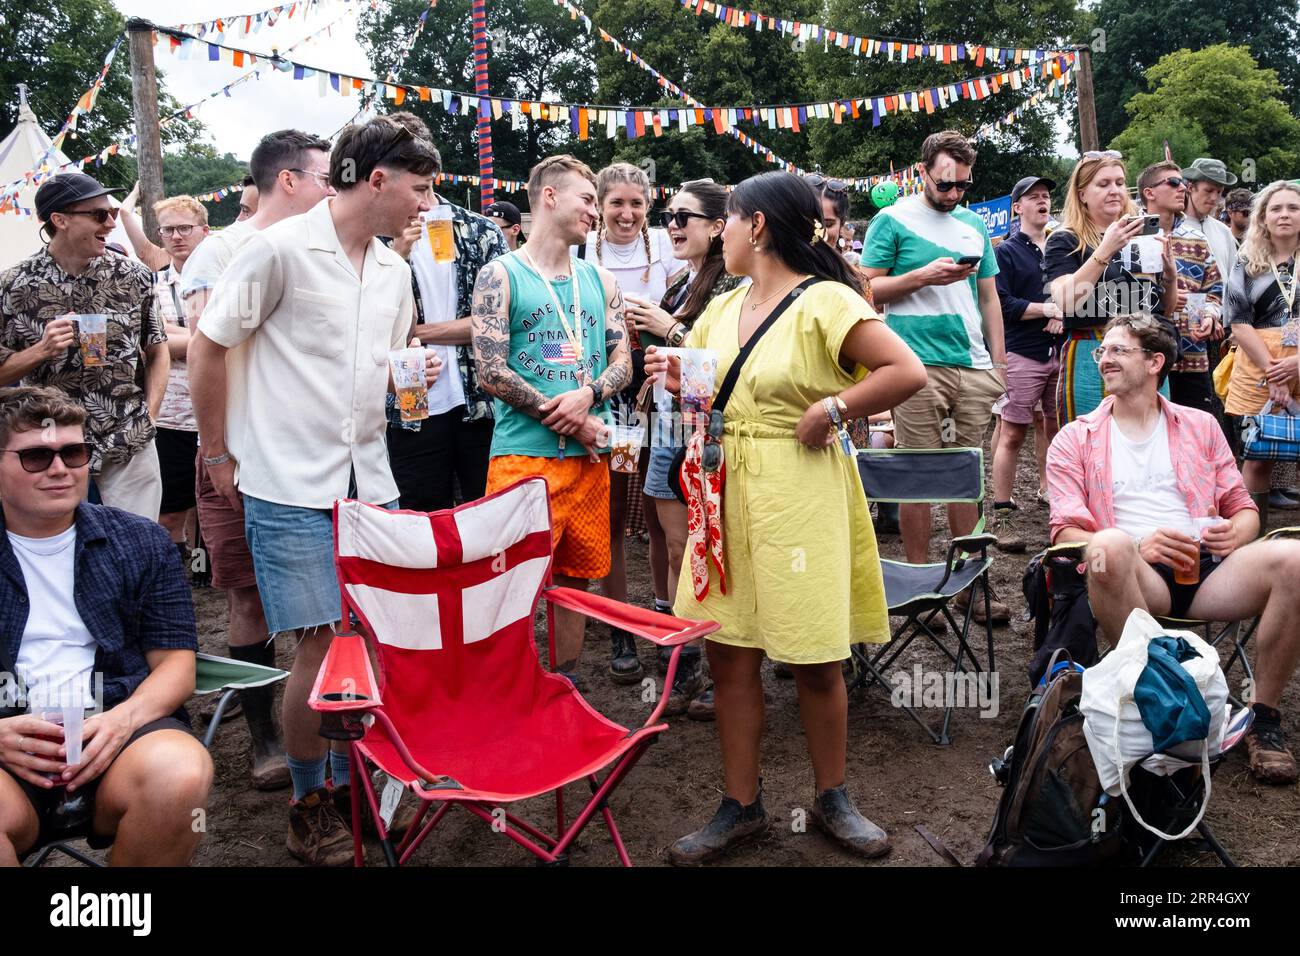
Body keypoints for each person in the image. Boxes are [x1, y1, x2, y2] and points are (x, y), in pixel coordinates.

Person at [645, 171, 926, 864]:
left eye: (729, 220)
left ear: (758, 226)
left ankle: (833, 797)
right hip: (725, 490)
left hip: (800, 491)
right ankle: (741, 806)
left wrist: (832, 410)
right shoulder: (722, 304)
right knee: (729, 651)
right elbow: (715, 390)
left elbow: (906, 370)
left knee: (815, 657)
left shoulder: (827, 301)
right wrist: (684, 382)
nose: (720, 232)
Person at [188, 116, 442, 866]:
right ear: (377, 180)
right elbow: (207, 348)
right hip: (289, 481)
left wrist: (410, 374)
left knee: (369, 643)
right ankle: (307, 803)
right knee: (322, 646)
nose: (425, 206)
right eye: (420, 189)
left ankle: (349, 780)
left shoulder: (396, 272)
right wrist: (215, 452)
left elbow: (388, 363)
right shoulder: (278, 250)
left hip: (373, 481)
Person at [1048, 314, 1299, 784]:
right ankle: (1158, 706)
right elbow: (1066, 533)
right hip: (1132, 575)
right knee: (1107, 545)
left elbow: (1242, 505)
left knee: (1294, 557)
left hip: (1206, 569)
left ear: (1155, 362)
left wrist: (1241, 531)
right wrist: (1139, 544)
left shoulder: (1200, 425)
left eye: (1120, 350)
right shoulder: (1075, 437)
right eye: (1104, 351)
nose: (1105, 359)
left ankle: (1262, 720)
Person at [0, 386, 213, 865]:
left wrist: (124, 720)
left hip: (116, 724)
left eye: (73, 453)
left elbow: (177, 665)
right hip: (7, 741)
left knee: (180, 774)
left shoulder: (140, 541)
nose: (59, 469)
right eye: (36, 456)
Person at [180, 129, 333, 794]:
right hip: (237, 457)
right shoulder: (223, 249)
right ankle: (265, 736)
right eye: (327, 176)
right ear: (290, 180)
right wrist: (218, 453)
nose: (338, 188)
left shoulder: (325, 251)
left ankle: (320, 742)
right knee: (247, 600)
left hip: (307, 461)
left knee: (322, 614)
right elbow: (202, 349)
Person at [471, 154, 633, 687]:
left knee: (575, 582)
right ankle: (507, 691)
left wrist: (588, 396)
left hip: (589, 462)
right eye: (587, 199)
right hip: (523, 460)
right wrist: (568, 419)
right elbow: (490, 372)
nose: (595, 210)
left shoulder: (600, 280)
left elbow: (623, 361)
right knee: (509, 586)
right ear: (549, 197)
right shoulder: (500, 275)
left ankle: (563, 684)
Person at [859, 131, 1009, 620]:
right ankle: (923, 584)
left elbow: (989, 298)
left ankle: (970, 581)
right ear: (921, 171)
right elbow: (866, 291)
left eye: (962, 186)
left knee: (967, 476)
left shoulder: (973, 225)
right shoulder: (892, 219)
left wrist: (1000, 365)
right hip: (915, 365)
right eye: (945, 184)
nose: (953, 195)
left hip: (972, 365)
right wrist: (922, 276)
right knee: (919, 476)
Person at [624, 178, 742, 718]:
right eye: (668, 215)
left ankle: (722, 664)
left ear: (718, 227)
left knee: (710, 548)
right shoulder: (677, 284)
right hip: (666, 430)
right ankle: (684, 661)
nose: (671, 225)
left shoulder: (731, 287)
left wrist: (669, 330)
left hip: (707, 435)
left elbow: (722, 364)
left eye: (684, 217)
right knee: (675, 550)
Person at [0, 172, 169, 520]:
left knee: (137, 543)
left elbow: (157, 350)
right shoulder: (15, 285)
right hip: (49, 442)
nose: (110, 223)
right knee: (60, 545)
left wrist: (150, 414)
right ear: (60, 220)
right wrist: (41, 350)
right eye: (98, 215)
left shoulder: (133, 277)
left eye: (110, 213)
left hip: (128, 434)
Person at [579, 163, 682, 685]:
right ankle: (620, 624)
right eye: (616, 203)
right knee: (617, 506)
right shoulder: (582, 253)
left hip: (662, 399)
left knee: (666, 506)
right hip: (615, 404)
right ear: (598, 205)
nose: (627, 213)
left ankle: (666, 615)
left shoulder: (664, 248)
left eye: (636, 204)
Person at [382, 112, 508, 513]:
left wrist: (420, 331)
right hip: (408, 407)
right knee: (419, 520)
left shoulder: (480, 230)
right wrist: (397, 252)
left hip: (478, 402)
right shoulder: (371, 239)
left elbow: (498, 323)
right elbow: (364, 321)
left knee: (485, 516)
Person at [1046, 151, 1178, 426]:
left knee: (1148, 439)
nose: (1114, 190)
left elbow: (1164, 308)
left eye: (1119, 182)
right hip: (1092, 351)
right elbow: (1065, 300)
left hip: (1144, 349)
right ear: (1082, 194)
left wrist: (1170, 276)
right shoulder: (1065, 239)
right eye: (1103, 184)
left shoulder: (1144, 234)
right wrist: (1106, 248)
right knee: (1091, 444)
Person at [990, 175, 1062, 553]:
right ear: (1017, 207)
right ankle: (1002, 512)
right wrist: (1044, 310)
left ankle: (1048, 491)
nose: (1042, 202)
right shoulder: (1006, 252)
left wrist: (1062, 314)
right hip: (1022, 352)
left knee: (1055, 428)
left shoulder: (1062, 246)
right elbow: (1002, 304)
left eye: (1046, 196)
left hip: (1059, 351)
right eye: (1033, 197)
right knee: (1012, 433)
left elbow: (1076, 292)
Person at [1222, 181, 1300, 529]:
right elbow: (1238, 323)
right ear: (1263, 217)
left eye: (1293, 208)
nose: (1285, 214)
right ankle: (1249, 543)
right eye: (1276, 208)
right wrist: (1274, 371)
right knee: (1257, 456)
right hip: (1257, 370)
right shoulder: (1246, 262)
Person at [149, 196, 210, 574]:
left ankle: (207, 568)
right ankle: (174, 580)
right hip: (171, 416)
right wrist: (203, 336)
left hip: (218, 413)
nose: (176, 236)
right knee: (170, 508)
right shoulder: (151, 286)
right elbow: (151, 343)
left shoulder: (228, 280)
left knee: (216, 502)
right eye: (168, 230)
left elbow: (237, 339)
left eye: (184, 228)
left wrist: (175, 335)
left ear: (205, 230)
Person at [1138, 161, 1224, 419]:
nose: (1182, 188)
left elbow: (1212, 292)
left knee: (1194, 432)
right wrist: (1166, 297)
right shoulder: (1131, 235)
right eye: (1173, 183)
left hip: (1191, 356)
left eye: (1182, 183)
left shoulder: (1197, 239)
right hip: (1146, 354)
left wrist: (1208, 315)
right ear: (1149, 193)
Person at [1181, 158, 1240, 279]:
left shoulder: (1224, 232)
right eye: (1208, 190)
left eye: (1219, 192)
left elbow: (1235, 281)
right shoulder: (1171, 227)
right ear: (1190, 187)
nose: (1214, 197)